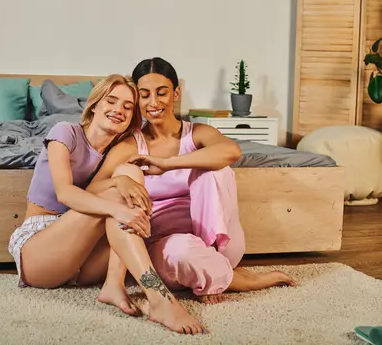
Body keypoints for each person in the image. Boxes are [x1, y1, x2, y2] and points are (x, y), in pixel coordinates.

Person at [8, 73, 209, 335]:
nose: (118, 110)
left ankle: (114, 284)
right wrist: (118, 204)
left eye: (127, 107)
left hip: (85, 260)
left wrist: (124, 183)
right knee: (121, 192)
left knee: (131, 176)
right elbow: (66, 194)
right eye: (111, 101)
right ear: (95, 105)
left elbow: (114, 188)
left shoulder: (119, 151)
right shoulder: (65, 133)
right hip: (40, 248)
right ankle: (159, 299)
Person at [87, 57, 297, 308]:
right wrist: (120, 182)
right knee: (182, 251)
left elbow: (231, 152)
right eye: (144, 95)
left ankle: (214, 265)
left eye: (161, 93)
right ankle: (240, 279)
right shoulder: (131, 145)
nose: (153, 102)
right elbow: (92, 190)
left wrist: (167, 164)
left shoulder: (197, 133)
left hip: (222, 243)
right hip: (168, 246)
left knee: (214, 170)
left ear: (176, 92)